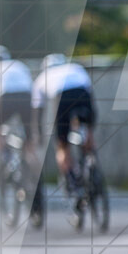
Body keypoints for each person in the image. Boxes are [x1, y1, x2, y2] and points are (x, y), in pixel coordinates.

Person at [32, 53, 97, 205]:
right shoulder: (76, 68)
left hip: (62, 99)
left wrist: (39, 134)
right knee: (87, 134)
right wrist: (89, 123)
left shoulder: (42, 77)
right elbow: (90, 94)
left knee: (62, 146)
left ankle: (73, 183)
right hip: (84, 96)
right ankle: (91, 161)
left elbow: (38, 111)